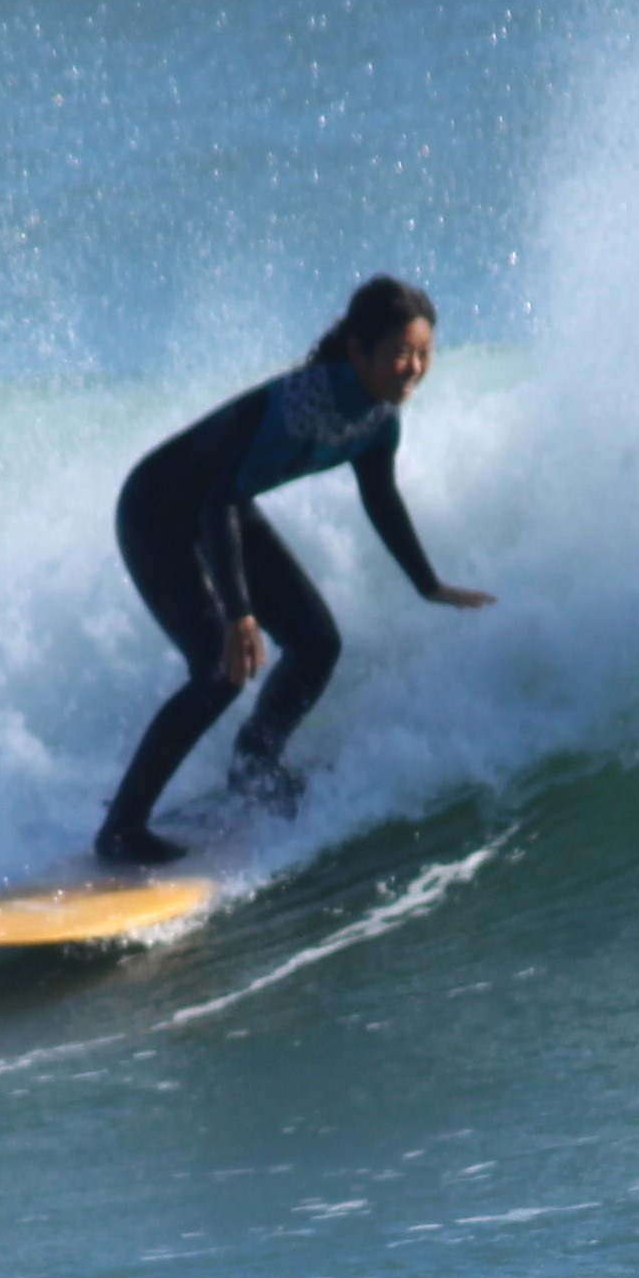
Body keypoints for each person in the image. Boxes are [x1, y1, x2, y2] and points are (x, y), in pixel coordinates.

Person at [93, 276, 495, 865]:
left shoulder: (380, 417)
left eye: (424, 355)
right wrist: (239, 615)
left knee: (316, 642)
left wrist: (428, 584)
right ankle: (122, 828)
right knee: (218, 669)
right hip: (158, 512)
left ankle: (255, 760)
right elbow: (218, 504)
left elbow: (380, 496)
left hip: (221, 507)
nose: (413, 368)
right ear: (359, 349)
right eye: (401, 353)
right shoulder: (307, 401)